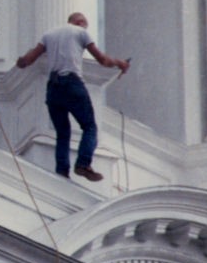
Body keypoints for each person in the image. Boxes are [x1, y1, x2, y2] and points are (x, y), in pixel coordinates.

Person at [16, 12, 130, 182]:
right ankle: (83, 164)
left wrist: (21, 60)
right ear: (81, 22)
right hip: (72, 83)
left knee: (62, 133)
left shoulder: (49, 34)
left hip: (53, 88)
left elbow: (28, 60)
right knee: (89, 126)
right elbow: (102, 60)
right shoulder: (80, 32)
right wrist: (120, 63)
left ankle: (62, 171)